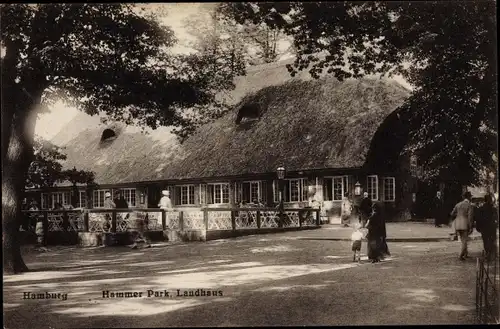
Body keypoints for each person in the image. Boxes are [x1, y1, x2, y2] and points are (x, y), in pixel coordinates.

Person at [450, 191, 474, 261]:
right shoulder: (470, 205)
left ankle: (466, 254)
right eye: (470, 197)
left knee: (462, 239)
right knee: (464, 241)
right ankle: (460, 255)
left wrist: (458, 216)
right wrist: (471, 226)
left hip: (458, 224)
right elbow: (470, 217)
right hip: (465, 224)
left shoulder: (458, 204)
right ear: (469, 197)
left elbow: (452, 213)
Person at [475, 193, 498, 261]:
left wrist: (478, 227)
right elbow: (496, 218)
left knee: (485, 240)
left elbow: (478, 219)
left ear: (484, 200)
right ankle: (491, 254)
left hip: (484, 228)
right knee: (492, 240)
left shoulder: (481, 209)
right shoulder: (493, 209)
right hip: (492, 227)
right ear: (490, 200)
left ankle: (488, 253)